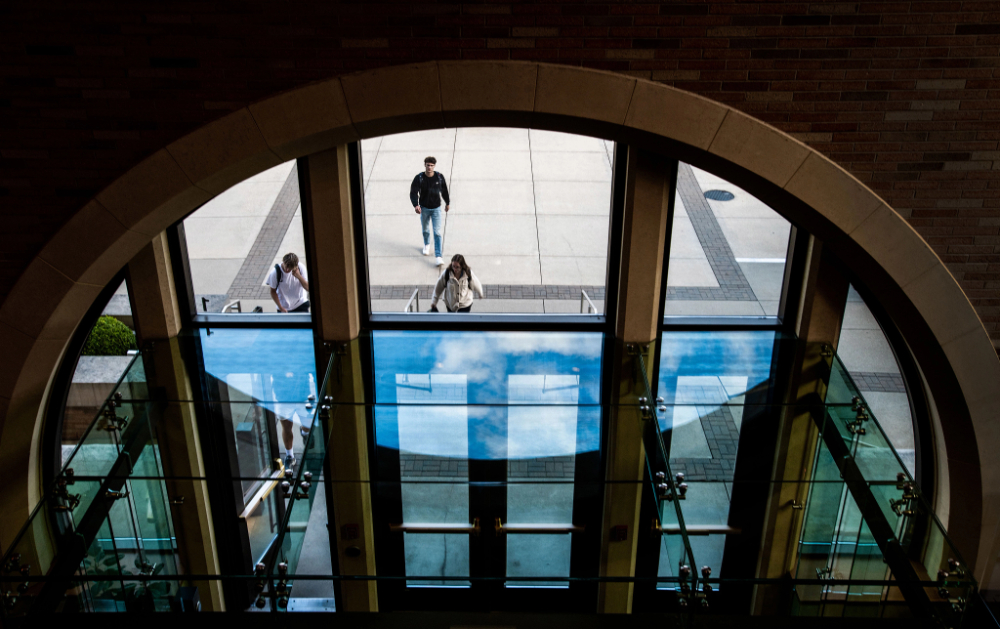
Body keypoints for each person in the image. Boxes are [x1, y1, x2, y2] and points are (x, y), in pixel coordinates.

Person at [409, 156, 450, 266]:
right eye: (428, 165)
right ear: (425, 165)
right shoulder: (420, 177)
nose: (429, 167)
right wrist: (416, 205)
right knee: (426, 230)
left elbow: (444, 190)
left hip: (436, 208)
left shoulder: (439, 177)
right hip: (424, 208)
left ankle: (438, 256)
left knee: (437, 233)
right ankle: (427, 244)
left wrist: (447, 203)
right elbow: (413, 192)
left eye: (432, 165)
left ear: (434, 166)